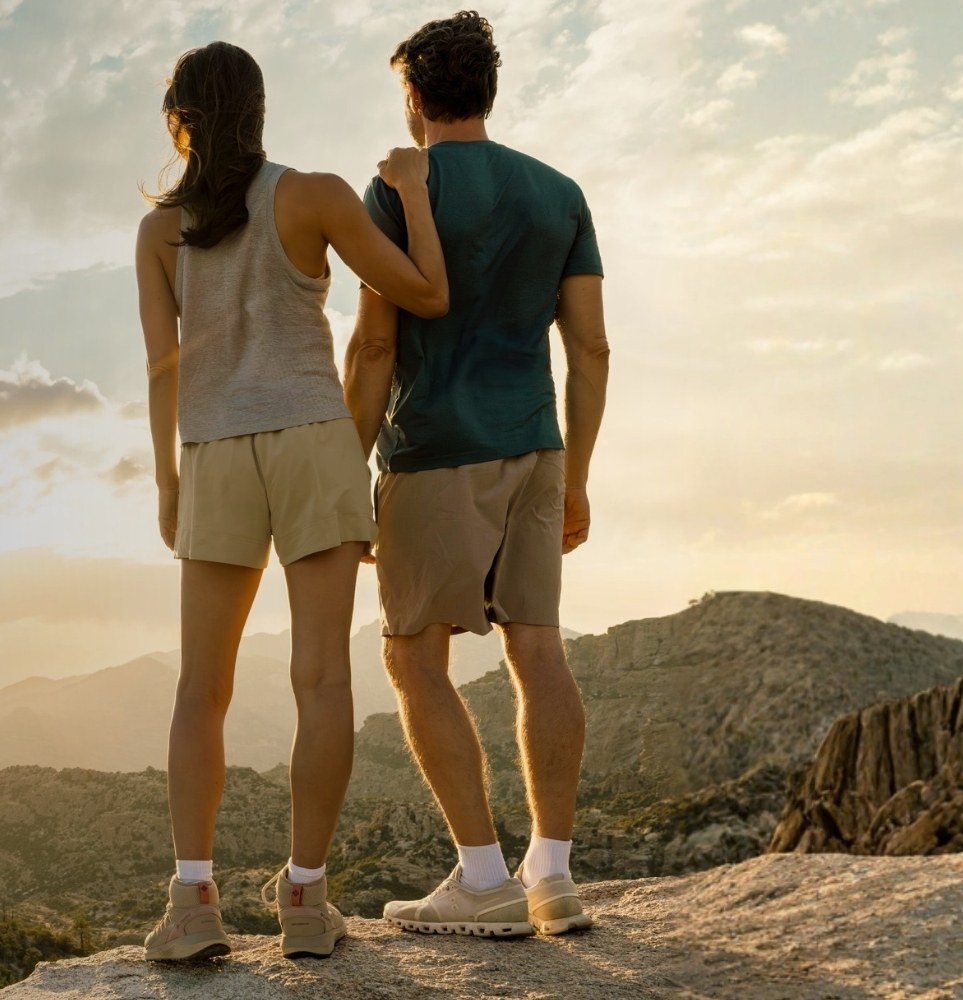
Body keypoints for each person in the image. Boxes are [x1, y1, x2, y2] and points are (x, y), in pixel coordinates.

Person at [133, 40, 450, 961]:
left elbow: (163, 368)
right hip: (315, 444)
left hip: (215, 452)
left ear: (179, 121)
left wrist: (165, 479)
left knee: (201, 688)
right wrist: (416, 193)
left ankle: (194, 906)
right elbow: (425, 294)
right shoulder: (310, 195)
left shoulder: (159, 233)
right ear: (261, 111)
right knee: (321, 681)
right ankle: (305, 904)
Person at [343, 10, 611, 939]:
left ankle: (483, 878)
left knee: (413, 655)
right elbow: (591, 347)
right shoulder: (559, 193)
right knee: (539, 650)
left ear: (414, 97)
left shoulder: (394, 190)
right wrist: (576, 472)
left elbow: (377, 342)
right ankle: (557, 873)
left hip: (434, 451)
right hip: (537, 444)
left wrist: (348, 468)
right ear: (487, 92)